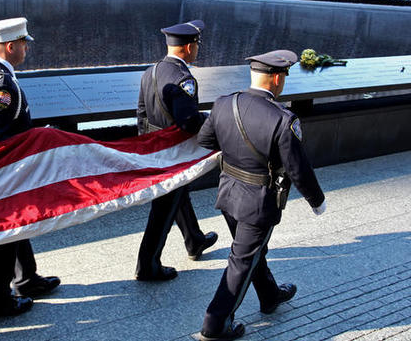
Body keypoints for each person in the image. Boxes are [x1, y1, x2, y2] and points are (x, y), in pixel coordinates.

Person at [195, 50, 327, 341]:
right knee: (242, 258)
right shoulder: (283, 119)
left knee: (251, 251)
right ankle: (215, 324)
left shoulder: (223, 103)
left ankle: (269, 296)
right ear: (277, 78)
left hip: (228, 194)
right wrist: (316, 201)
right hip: (259, 201)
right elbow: (298, 168)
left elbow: (205, 140)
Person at [0, 17, 61, 318]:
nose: (26, 49)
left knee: (18, 226)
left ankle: (26, 279)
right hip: (2, 174)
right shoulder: (2, 84)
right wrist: (32, 140)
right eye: (23, 44)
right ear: (10, 46)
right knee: (2, 236)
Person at [134, 20, 218, 281]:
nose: (197, 50)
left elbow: (141, 113)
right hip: (174, 151)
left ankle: (194, 240)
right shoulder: (183, 79)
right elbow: (188, 121)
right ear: (189, 47)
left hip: (155, 146)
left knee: (177, 194)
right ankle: (147, 265)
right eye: (197, 46)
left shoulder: (151, 71)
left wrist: (147, 146)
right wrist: (212, 121)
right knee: (164, 207)